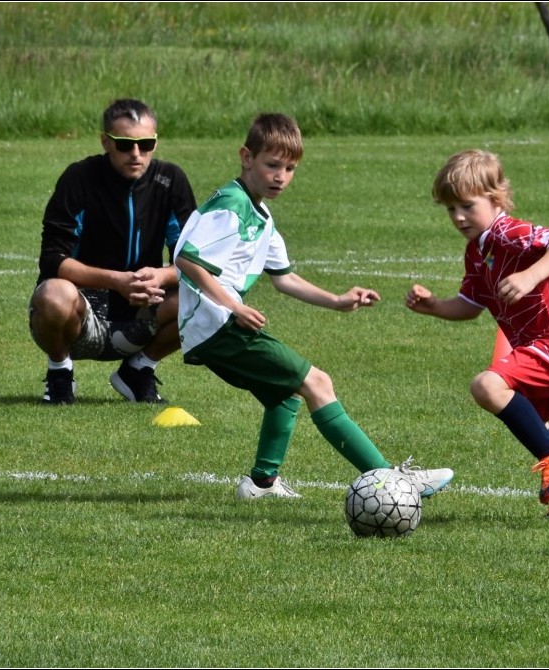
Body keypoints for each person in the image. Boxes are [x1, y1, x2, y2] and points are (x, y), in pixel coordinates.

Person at [173, 112, 454, 500]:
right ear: (246, 157)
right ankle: (392, 480)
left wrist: (337, 301)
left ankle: (261, 484)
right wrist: (234, 308)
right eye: (272, 165)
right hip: (218, 327)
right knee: (316, 382)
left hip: (218, 327)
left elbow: (284, 278)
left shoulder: (261, 215)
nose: (281, 176)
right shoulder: (231, 204)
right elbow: (187, 260)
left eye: (290, 168)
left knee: (285, 396)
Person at [405, 149, 549, 517]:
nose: (459, 217)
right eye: (450, 209)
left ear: (496, 199)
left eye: (467, 205)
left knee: (487, 386)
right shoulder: (477, 251)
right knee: (537, 424)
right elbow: (469, 305)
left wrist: (531, 275)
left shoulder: (508, 232)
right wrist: (434, 306)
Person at [29, 98, 197, 405]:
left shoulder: (171, 181)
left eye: (145, 144)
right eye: (124, 145)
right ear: (106, 142)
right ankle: (60, 371)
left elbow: (193, 260)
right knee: (52, 294)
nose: (136, 154)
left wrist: (160, 276)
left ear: (155, 142)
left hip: (143, 310)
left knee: (212, 295)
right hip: (80, 317)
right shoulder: (79, 179)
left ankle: (139, 369)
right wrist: (118, 281)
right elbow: (53, 260)